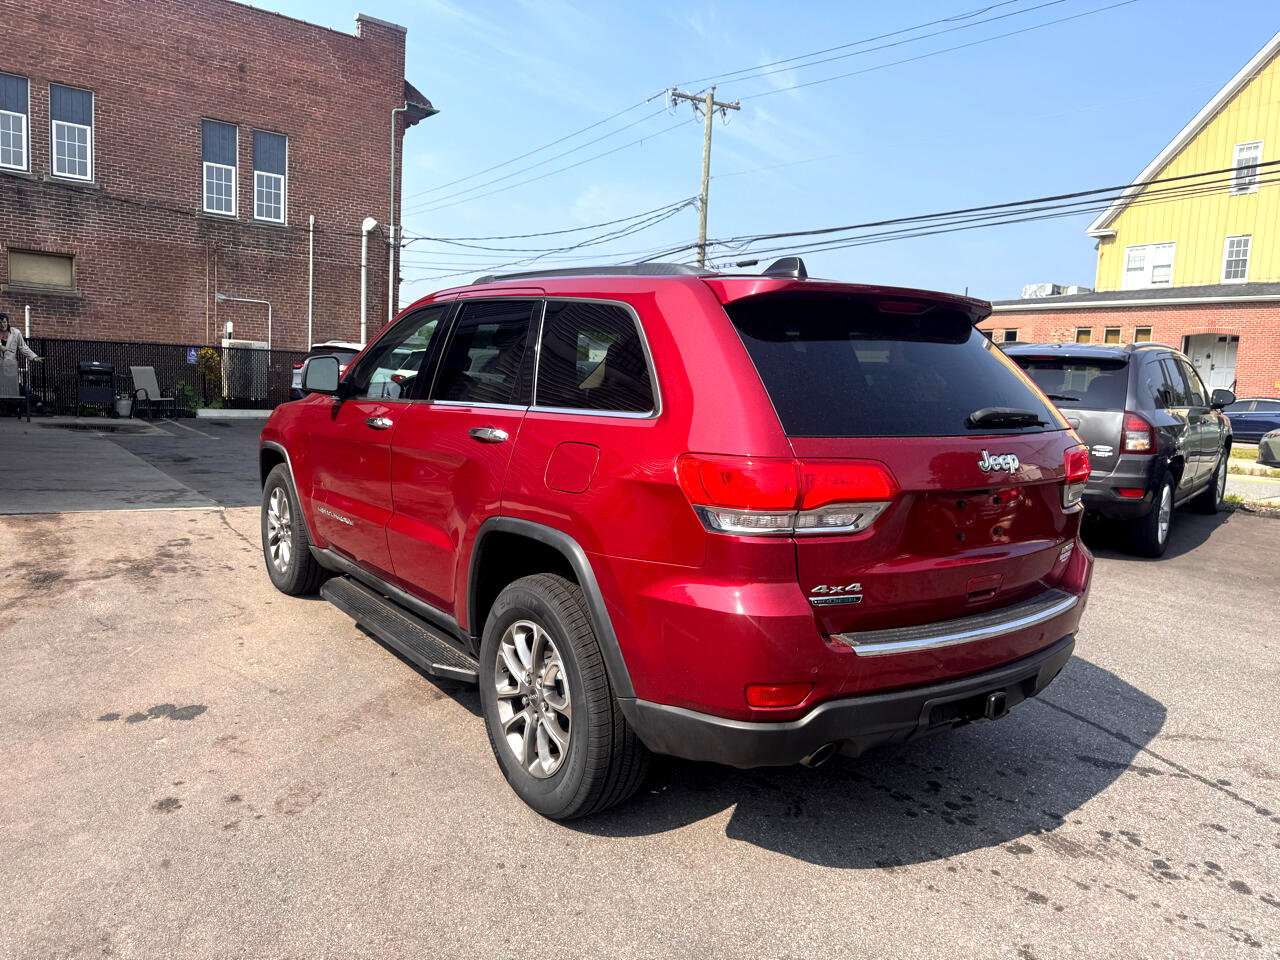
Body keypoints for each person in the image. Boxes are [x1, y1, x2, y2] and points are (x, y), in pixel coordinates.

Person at [1, 313, 41, 413]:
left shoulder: (16, 333)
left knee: (16, 388)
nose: (2, 324)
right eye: (0, 323)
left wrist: (34, 357)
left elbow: (23, 347)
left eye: (4, 322)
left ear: (7, 322)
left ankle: (37, 402)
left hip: (10, 366)